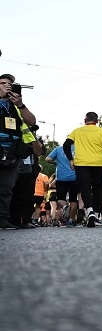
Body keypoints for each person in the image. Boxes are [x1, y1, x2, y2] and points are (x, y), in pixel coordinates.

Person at [63, 111, 102, 228]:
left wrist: (71, 159)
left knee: (85, 188)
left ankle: (89, 211)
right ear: (97, 121)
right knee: (97, 188)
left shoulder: (76, 131)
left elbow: (66, 145)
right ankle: (96, 215)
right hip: (99, 163)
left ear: (85, 121)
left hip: (81, 163)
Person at [0, 74, 36, 229]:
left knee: (6, 188)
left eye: (10, 84)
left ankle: (2, 218)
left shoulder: (16, 106)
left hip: (11, 152)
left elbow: (31, 121)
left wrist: (21, 105)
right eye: (3, 83)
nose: (7, 86)